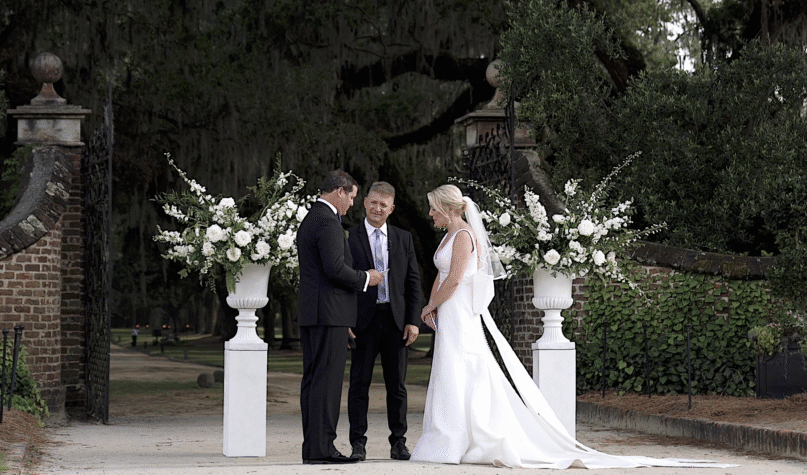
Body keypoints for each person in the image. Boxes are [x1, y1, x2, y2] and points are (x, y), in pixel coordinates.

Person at [411, 184, 736, 469]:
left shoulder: (464, 236)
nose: (430, 214)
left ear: (448, 209)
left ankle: (462, 438)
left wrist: (430, 305)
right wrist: (432, 305)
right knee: (449, 368)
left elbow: (455, 279)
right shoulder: (449, 236)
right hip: (448, 310)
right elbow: (442, 275)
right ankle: (449, 436)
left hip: (459, 311)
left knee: (461, 368)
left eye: (433, 208)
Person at [297, 170, 384, 465]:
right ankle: (323, 449)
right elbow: (335, 268)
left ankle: (313, 448)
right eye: (352, 196)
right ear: (339, 192)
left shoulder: (312, 217)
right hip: (328, 313)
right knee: (327, 382)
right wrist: (366, 278)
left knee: (314, 381)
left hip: (317, 313)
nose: (352, 203)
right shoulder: (327, 220)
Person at [346, 182, 423, 462]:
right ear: (365, 202)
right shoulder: (349, 236)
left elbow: (413, 282)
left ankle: (398, 443)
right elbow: (343, 283)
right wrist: (346, 321)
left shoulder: (403, 238)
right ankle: (357, 444)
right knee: (359, 385)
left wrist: (413, 321)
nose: (377, 208)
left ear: (391, 209)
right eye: (374, 202)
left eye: (383, 205)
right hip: (362, 322)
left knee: (397, 386)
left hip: (396, 321)